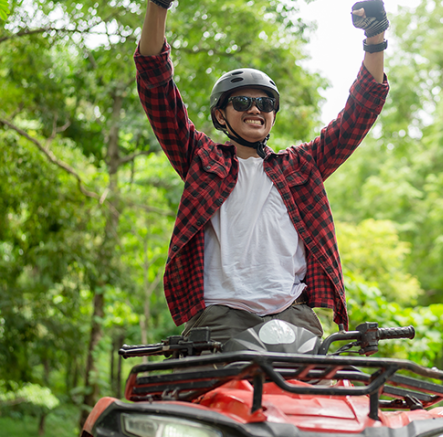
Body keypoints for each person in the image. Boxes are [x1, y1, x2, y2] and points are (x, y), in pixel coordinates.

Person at [135, 0, 390, 342]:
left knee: (316, 394)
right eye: (241, 102)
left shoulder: (302, 166)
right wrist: (159, 5)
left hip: (294, 315)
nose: (255, 108)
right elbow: (155, 85)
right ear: (221, 116)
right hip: (221, 316)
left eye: (265, 103)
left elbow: (361, 110)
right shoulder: (202, 160)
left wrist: (375, 37)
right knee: (227, 396)